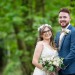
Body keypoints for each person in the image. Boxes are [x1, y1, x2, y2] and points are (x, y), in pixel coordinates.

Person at [55, 8, 75, 75]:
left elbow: (73, 51)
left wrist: (61, 65)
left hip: (71, 70)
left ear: (70, 19)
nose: (62, 19)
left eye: (65, 17)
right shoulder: (58, 33)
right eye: (60, 17)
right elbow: (55, 50)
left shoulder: (73, 31)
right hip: (59, 71)